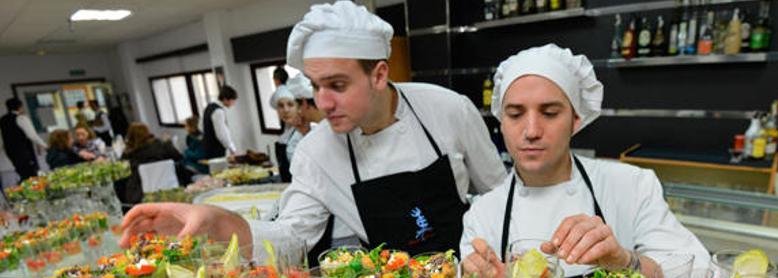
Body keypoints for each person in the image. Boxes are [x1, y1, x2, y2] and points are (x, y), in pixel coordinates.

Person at [119, 0, 506, 262]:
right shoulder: (317, 152)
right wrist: (223, 225)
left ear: (379, 74)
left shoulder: (447, 108)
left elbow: (497, 194)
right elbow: (292, 240)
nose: (322, 103)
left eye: (337, 85)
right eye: (316, 85)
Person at [460, 44, 710, 278]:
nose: (532, 131)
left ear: (576, 119)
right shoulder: (483, 215)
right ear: (501, 123)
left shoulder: (631, 186)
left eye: (549, 113)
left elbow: (699, 275)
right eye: (515, 114)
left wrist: (624, 263)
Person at [271, 73, 323, 183]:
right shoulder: (284, 136)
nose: (285, 110)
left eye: (290, 105)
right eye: (281, 106)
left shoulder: (314, 130)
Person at [120, 123, 182, 204]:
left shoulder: (128, 154)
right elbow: (178, 157)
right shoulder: (161, 145)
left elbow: (123, 173)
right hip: (170, 190)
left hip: (141, 196)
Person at [1, 97, 46, 181]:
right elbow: (32, 135)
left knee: (22, 173)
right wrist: (45, 145)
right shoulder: (21, 118)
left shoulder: (3, 120)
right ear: (20, 107)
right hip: (24, 151)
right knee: (32, 174)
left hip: (11, 152)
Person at [200, 85, 238, 159]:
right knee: (219, 170)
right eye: (232, 100)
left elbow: (202, 126)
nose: (233, 103)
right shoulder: (218, 111)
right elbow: (221, 134)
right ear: (225, 99)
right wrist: (232, 148)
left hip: (207, 147)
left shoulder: (209, 107)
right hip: (215, 150)